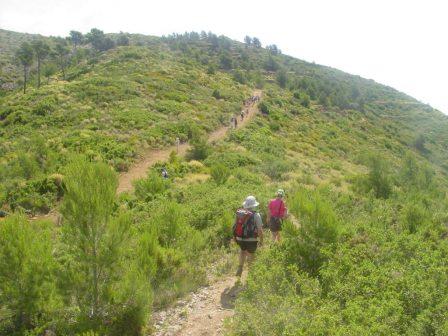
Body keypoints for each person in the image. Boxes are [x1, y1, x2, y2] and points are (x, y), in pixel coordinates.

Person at [233, 195, 264, 277]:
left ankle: (240, 267)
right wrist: (261, 241)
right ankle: (251, 274)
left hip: (239, 238)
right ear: (254, 205)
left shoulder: (239, 213)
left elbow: (235, 226)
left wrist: (235, 237)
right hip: (251, 239)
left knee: (242, 251)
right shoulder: (256, 215)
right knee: (251, 254)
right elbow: (260, 230)